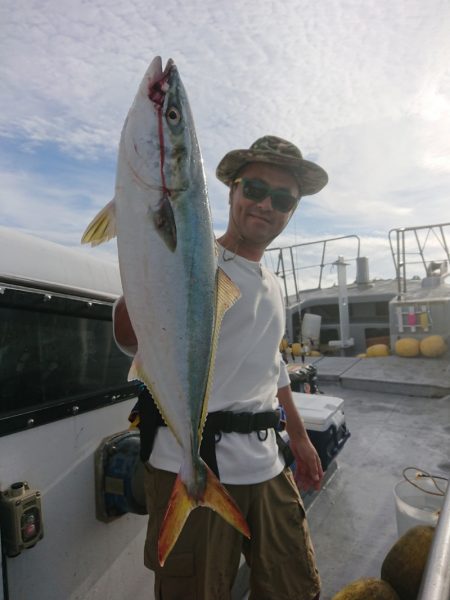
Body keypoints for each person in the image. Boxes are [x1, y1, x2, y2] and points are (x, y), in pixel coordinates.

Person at [114, 135, 328, 600]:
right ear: (230, 191)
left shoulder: (272, 285)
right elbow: (131, 337)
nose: (265, 205)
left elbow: (273, 366)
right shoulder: (194, 264)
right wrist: (143, 252)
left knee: (296, 589)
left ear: (292, 209)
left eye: (282, 198)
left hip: (267, 466)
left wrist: (301, 437)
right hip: (188, 466)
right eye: (253, 188)